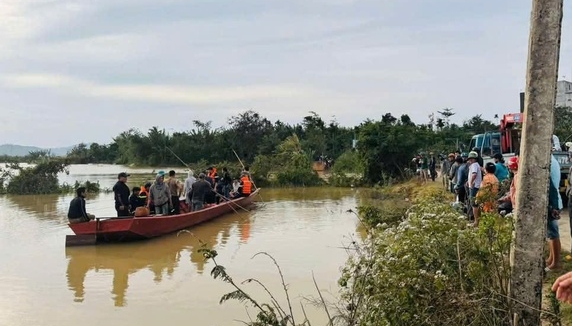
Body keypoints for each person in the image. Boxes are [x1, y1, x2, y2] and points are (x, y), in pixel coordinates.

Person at [546, 153, 563, 271]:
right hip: (554, 202)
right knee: (551, 233)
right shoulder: (551, 160)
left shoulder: (548, 162)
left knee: (553, 234)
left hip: (552, 203)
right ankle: (551, 258)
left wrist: (554, 207)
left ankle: (555, 263)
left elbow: (551, 187)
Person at [466, 151, 482, 226]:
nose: (470, 160)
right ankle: (477, 220)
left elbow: (474, 175)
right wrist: (468, 181)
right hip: (475, 186)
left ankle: (476, 221)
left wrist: (471, 182)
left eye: (472, 159)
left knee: (474, 204)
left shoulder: (474, 165)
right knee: (476, 204)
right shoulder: (475, 165)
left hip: (474, 187)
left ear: (474, 159)